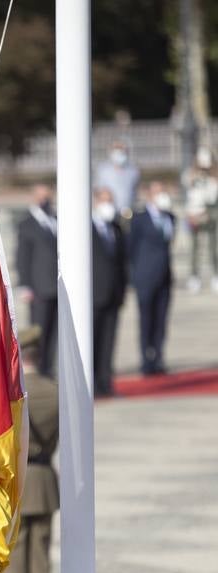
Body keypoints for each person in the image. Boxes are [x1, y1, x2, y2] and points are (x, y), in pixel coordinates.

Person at [0, 327, 58, 573]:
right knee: (40, 561)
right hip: (45, 480)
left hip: (15, 484)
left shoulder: (8, 394)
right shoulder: (54, 390)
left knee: (12, 564)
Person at [129, 181, 176, 376]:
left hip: (165, 276)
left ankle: (158, 357)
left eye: (163, 191)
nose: (162, 195)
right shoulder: (139, 219)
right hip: (145, 276)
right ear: (149, 195)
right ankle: (145, 359)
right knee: (146, 319)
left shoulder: (171, 217)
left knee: (161, 319)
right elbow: (130, 248)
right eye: (158, 192)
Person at [16, 184, 58, 377]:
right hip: (39, 286)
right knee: (39, 330)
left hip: (56, 287)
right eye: (41, 197)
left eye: (47, 197)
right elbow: (22, 256)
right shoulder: (27, 224)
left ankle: (48, 369)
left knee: (54, 332)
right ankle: (38, 371)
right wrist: (25, 284)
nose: (45, 201)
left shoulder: (54, 220)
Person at [92, 187, 128, 396]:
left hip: (113, 295)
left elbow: (122, 261)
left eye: (110, 200)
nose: (108, 205)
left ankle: (106, 382)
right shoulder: (85, 228)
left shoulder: (116, 228)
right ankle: (93, 384)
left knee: (108, 342)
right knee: (94, 341)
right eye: (104, 200)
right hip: (94, 296)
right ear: (96, 202)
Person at [182, 145, 218, 293]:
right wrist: (197, 170)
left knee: (213, 248)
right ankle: (194, 276)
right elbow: (187, 182)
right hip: (194, 214)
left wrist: (211, 171)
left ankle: (215, 275)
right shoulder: (191, 174)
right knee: (194, 248)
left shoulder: (214, 177)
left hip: (210, 213)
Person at [94, 140, 140, 220]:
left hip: (127, 213)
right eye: (116, 149)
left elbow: (134, 192)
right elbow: (98, 191)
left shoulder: (133, 171)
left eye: (122, 150)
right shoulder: (103, 170)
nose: (119, 153)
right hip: (108, 212)